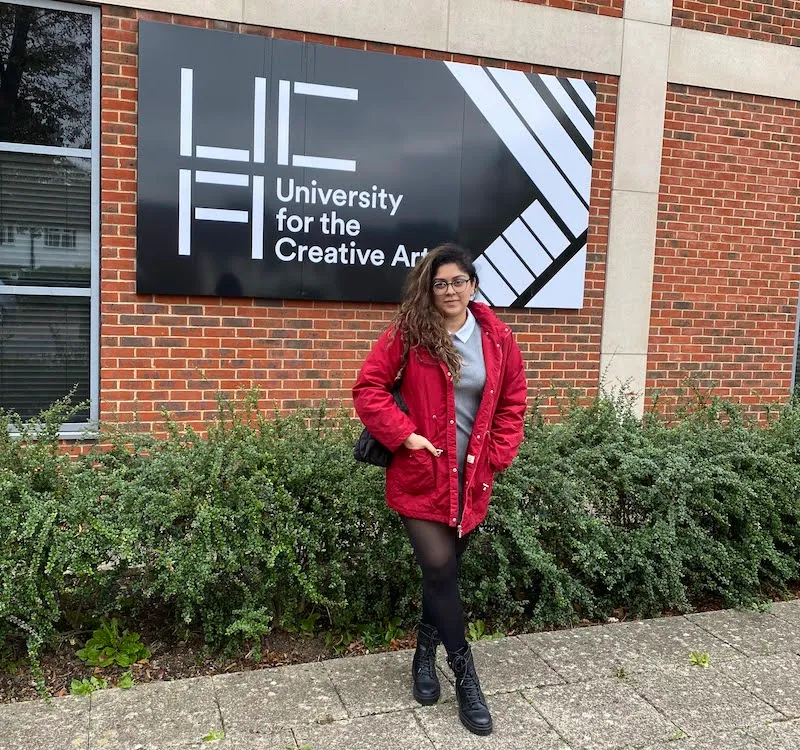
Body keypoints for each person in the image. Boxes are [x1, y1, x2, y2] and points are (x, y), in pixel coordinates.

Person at [352, 243, 528, 736]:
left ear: (473, 285)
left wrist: (499, 453)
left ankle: (423, 656)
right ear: (429, 288)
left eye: (458, 281)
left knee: (443, 577)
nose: (450, 290)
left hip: (471, 480)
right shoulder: (410, 333)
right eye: (440, 283)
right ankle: (467, 677)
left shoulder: (497, 338)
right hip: (420, 475)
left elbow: (513, 401)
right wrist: (402, 432)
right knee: (439, 566)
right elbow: (368, 388)